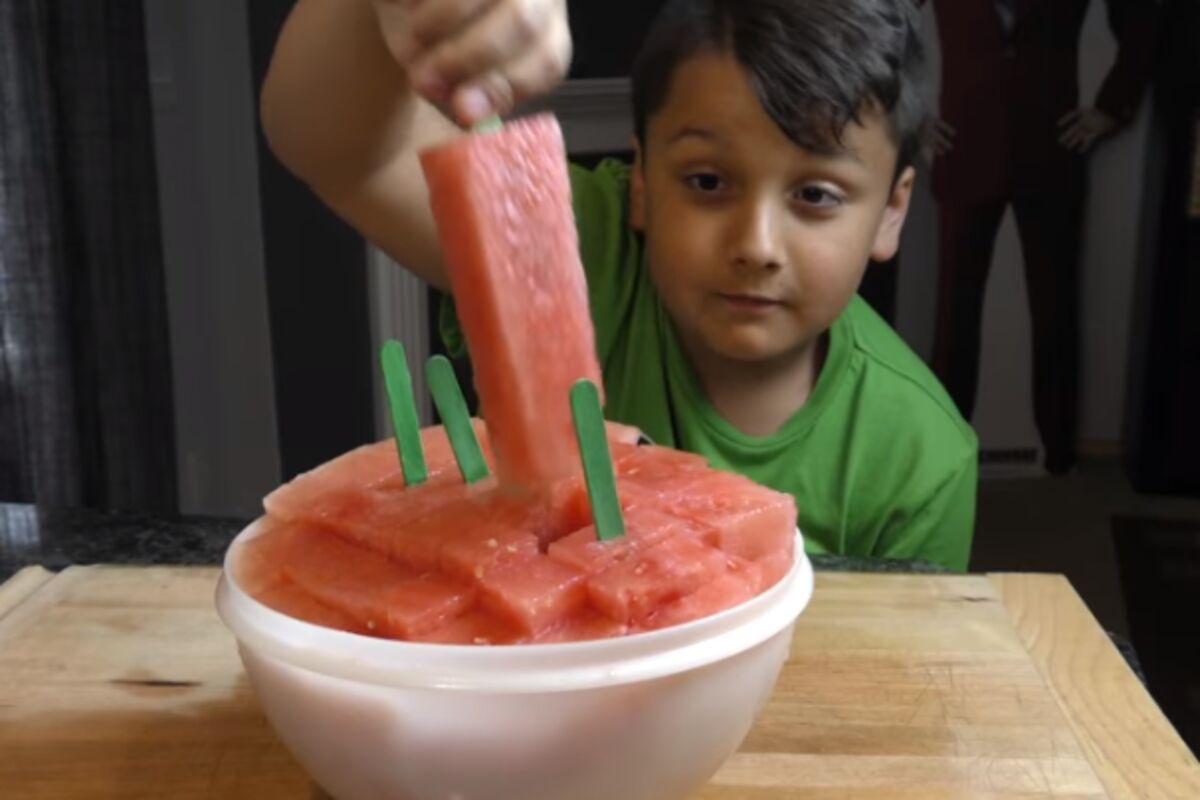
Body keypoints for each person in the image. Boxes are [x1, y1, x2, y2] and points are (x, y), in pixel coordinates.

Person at [260, 0, 979, 571]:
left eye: (816, 195)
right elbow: (342, 148)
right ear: (641, 182)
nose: (757, 246)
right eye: (707, 182)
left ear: (892, 211)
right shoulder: (583, 251)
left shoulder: (922, 462)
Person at [922, 0, 1157, 475]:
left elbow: (1146, 22)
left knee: (1055, 308)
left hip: (1050, 149)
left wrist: (1114, 105)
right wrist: (903, 113)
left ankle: (1057, 452)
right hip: (966, 146)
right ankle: (944, 451)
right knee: (953, 314)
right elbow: (877, 22)